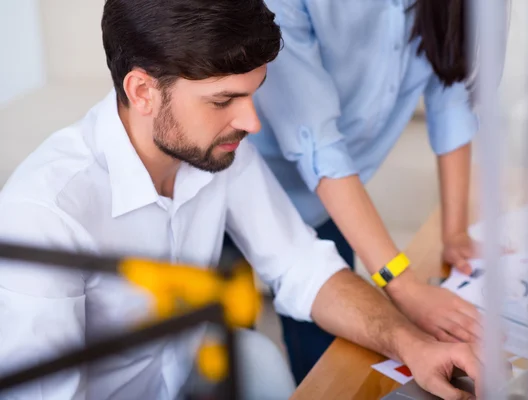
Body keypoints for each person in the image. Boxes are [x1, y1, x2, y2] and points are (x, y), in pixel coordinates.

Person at [0, 1, 482, 399]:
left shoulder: (216, 151)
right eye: (223, 100)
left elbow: (300, 266)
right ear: (143, 90)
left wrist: (410, 342)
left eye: (253, 94)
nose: (252, 122)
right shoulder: (45, 217)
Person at [249, 0, 490, 384]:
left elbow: (452, 91)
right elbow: (318, 146)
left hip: (327, 202)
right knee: (226, 353)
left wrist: (455, 232)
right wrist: (405, 287)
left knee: (329, 365)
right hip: (238, 177)